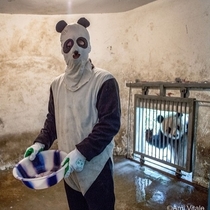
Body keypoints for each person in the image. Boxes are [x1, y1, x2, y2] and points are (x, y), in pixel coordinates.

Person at [24, 17, 121, 210]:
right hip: (68, 167)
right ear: (62, 50)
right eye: (69, 44)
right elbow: (53, 120)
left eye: (81, 42)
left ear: (89, 45)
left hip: (96, 168)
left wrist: (82, 152)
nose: (75, 49)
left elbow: (109, 124)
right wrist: (39, 143)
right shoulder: (56, 85)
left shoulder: (104, 81)